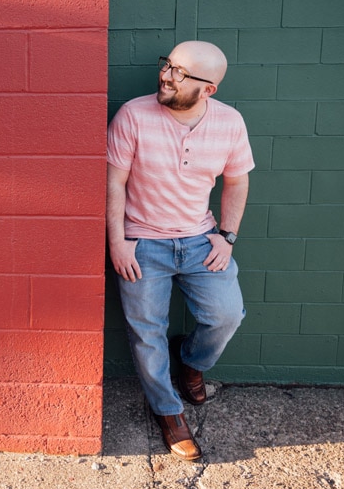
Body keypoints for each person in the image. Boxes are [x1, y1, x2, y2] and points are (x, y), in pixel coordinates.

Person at [106, 41, 254, 461]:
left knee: (226, 315)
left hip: (199, 239)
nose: (167, 75)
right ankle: (168, 412)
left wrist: (226, 237)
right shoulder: (134, 115)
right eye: (168, 65)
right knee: (145, 332)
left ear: (209, 89)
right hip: (142, 242)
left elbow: (237, 182)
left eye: (181, 73)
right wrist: (118, 241)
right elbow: (114, 182)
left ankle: (191, 362)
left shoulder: (229, 123)